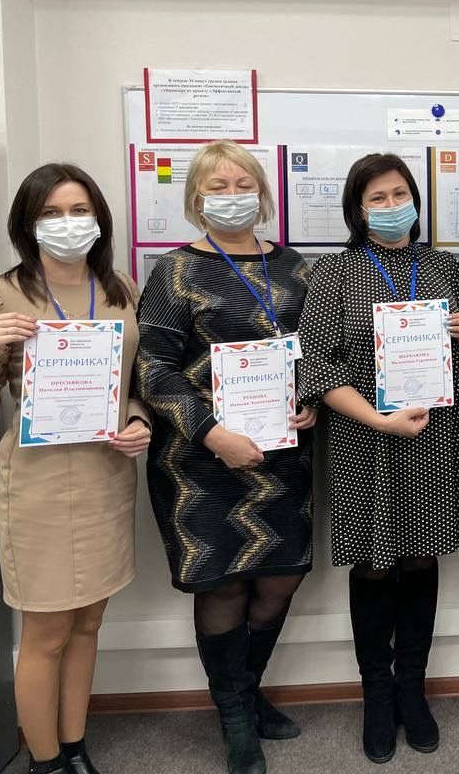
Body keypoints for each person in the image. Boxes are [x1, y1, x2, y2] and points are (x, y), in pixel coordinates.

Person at [0, 164, 151, 774]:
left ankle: (74, 745)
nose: (68, 224)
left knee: (89, 621)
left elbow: (135, 385)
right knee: (46, 632)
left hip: (105, 478)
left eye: (79, 211)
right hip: (37, 488)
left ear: (99, 219)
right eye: (52, 213)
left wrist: (138, 418)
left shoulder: (120, 287)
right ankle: (45, 762)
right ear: (27, 224)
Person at [135, 140, 315, 774]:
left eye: (243, 184)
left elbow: (315, 351)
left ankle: (244, 690)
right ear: (196, 198)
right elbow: (153, 370)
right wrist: (213, 434)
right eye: (218, 186)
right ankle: (237, 719)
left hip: (280, 454)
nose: (232, 195)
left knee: (281, 576)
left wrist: (310, 403)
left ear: (262, 193)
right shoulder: (174, 271)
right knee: (224, 583)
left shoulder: (295, 268)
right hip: (198, 461)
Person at [297, 153, 459, 764]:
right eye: (377, 197)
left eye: (400, 193)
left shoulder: (443, 266)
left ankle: (412, 689)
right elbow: (315, 367)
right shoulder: (333, 273)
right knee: (374, 565)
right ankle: (377, 692)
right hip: (364, 440)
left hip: (431, 438)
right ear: (358, 209)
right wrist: (378, 418)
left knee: (421, 557)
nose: (391, 205)